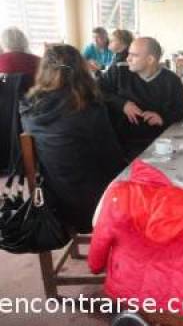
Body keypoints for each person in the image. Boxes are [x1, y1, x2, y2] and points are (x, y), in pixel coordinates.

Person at [20, 44, 125, 233]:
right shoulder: (90, 108)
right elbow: (112, 158)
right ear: (81, 70)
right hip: (91, 206)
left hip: (50, 200)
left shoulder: (28, 107)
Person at [99, 37, 183, 158]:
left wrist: (162, 118)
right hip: (119, 142)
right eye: (128, 54)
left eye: (133, 55)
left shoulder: (171, 80)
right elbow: (97, 91)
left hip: (157, 143)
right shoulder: (119, 71)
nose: (128, 58)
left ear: (150, 59)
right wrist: (123, 104)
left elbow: (182, 110)